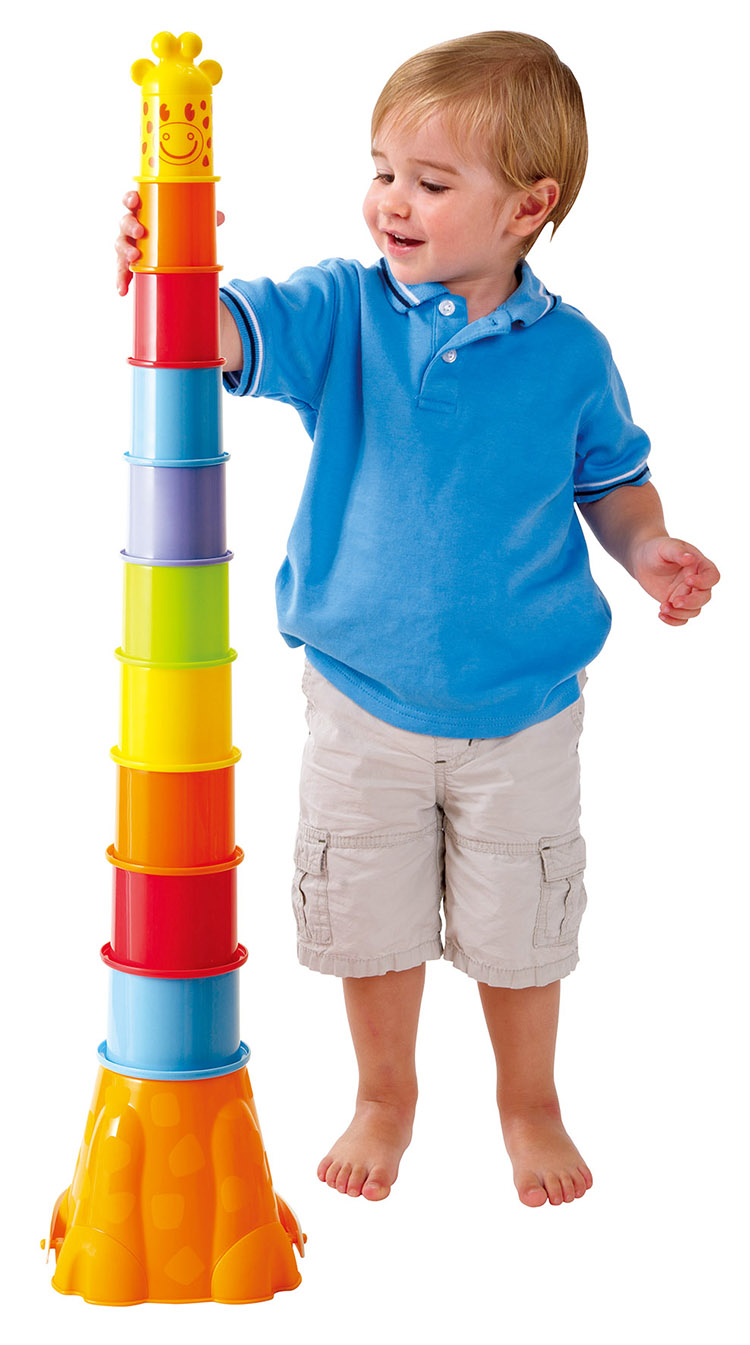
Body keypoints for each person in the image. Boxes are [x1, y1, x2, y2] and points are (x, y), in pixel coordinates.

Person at [116, 31, 720, 1209]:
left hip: (523, 712)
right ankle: (385, 1093)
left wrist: (648, 548)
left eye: (432, 183)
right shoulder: (342, 310)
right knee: (371, 914)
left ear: (529, 208)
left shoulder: (573, 354)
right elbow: (214, 333)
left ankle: (529, 1101)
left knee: (518, 922)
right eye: (382, 169)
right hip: (361, 700)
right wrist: (166, 273)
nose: (391, 200)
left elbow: (613, 481)